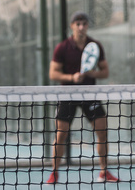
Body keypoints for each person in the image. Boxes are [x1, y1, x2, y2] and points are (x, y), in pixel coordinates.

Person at [46, 11, 119, 184]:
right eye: (77, 23)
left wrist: (90, 73)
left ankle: (103, 172)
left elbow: (105, 72)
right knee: (61, 134)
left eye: (84, 23)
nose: (81, 27)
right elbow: (53, 73)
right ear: (72, 26)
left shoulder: (95, 46)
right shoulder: (62, 47)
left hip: (89, 93)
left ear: (87, 26)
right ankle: (54, 172)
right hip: (67, 94)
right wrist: (72, 78)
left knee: (102, 131)